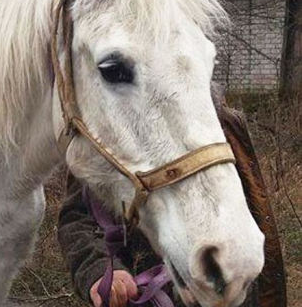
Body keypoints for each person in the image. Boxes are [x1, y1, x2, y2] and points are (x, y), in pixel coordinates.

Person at [56, 84, 287, 307]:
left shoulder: (219, 118)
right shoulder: (106, 127)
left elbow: (254, 206)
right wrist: (98, 269)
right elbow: (77, 217)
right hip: (142, 293)